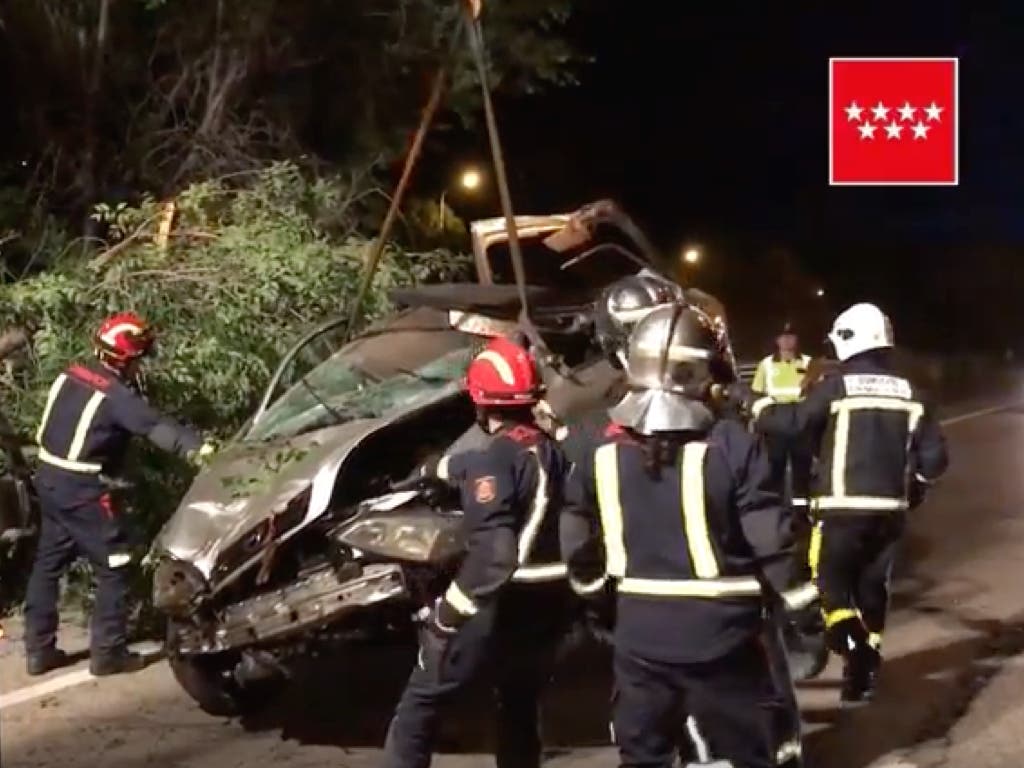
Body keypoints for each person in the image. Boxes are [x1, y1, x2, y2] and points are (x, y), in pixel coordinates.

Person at [561, 303, 796, 768]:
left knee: (643, 755)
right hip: (724, 640)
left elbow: (578, 540)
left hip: (639, 640)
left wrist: (597, 602)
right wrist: (804, 612)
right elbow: (771, 539)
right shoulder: (731, 444)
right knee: (748, 751)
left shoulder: (595, 444)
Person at [383, 334, 571, 768]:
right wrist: (435, 469)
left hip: (501, 604)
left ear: (480, 403)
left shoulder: (496, 460)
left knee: (420, 702)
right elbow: (487, 468)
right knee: (517, 704)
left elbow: (494, 555)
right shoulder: (549, 451)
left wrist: (446, 619)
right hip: (549, 605)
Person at [751, 303, 948, 704]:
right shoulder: (913, 393)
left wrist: (752, 404)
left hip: (841, 510)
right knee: (872, 588)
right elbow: (935, 460)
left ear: (847, 339)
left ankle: (856, 652)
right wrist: (919, 484)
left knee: (830, 588)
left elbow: (793, 425)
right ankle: (863, 675)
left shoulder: (836, 387)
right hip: (890, 513)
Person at [23, 313, 213, 677]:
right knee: (115, 565)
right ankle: (108, 653)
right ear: (128, 359)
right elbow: (155, 426)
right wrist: (199, 450)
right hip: (83, 490)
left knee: (48, 565)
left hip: (47, 481)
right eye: (140, 357)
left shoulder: (69, 374)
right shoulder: (115, 397)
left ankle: (38, 650)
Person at [751, 322, 813, 513]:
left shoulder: (809, 363)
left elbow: (818, 392)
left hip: (801, 422)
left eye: (791, 336)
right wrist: (762, 417)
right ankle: (774, 510)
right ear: (776, 340)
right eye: (782, 337)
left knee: (802, 468)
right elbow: (756, 394)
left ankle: (801, 512)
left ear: (797, 340)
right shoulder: (767, 364)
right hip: (775, 422)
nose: (787, 341)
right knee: (773, 469)